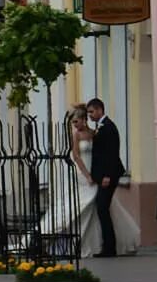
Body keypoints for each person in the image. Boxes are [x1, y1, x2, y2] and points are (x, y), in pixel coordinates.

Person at [41, 105, 141, 257]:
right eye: (73, 123)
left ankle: (98, 242)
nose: (75, 125)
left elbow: (102, 153)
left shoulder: (95, 133)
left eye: (77, 121)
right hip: (83, 173)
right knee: (83, 202)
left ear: (83, 120)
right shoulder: (76, 135)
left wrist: (98, 174)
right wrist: (87, 175)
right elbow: (76, 156)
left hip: (96, 173)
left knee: (98, 204)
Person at [84, 98, 126, 257]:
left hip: (108, 176)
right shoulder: (101, 127)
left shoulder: (108, 128)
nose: (90, 115)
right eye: (88, 112)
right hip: (102, 176)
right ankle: (108, 245)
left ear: (100, 110)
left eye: (91, 112)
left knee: (102, 207)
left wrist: (107, 175)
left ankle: (109, 247)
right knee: (102, 208)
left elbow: (111, 153)